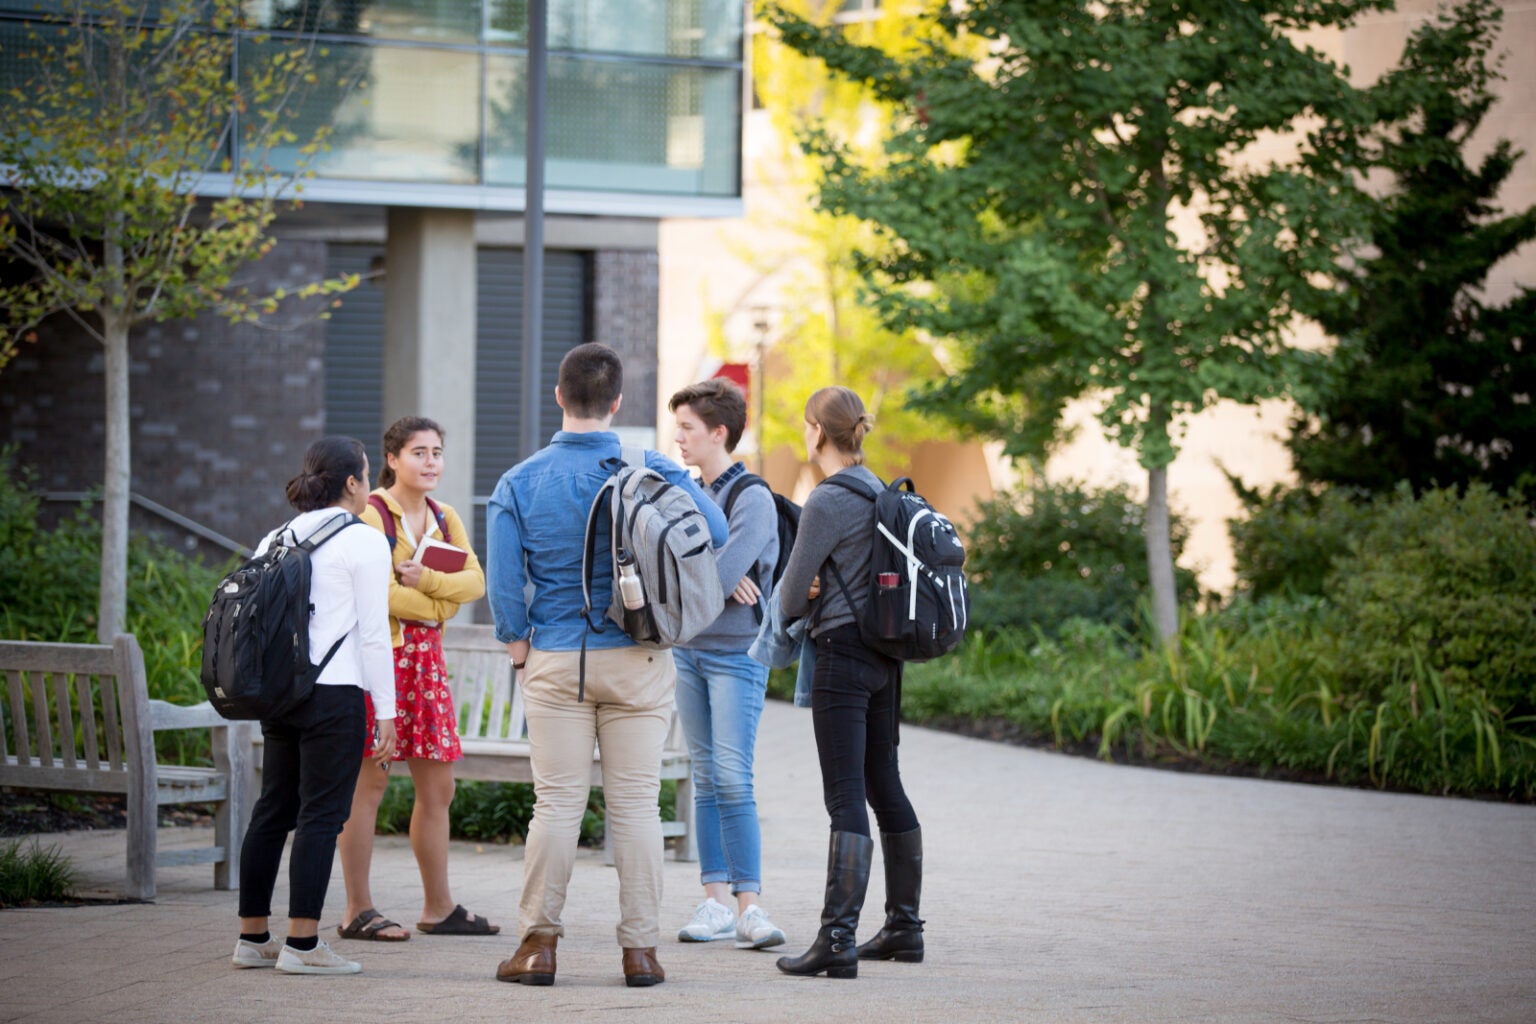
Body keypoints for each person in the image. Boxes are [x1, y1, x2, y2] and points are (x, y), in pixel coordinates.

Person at [486, 342, 728, 988]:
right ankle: (640, 951)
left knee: (557, 805)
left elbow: (506, 585)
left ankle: (537, 946)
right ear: (617, 402)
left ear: (560, 397)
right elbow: (716, 534)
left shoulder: (520, 480)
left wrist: (517, 646)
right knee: (636, 809)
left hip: (558, 657)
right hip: (639, 656)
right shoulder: (648, 467)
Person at [231, 436, 399, 976]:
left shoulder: (274, 537)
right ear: (352, 483)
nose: (369, 484)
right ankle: (303, 946)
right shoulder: (365, 541)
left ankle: (252, 937)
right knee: (321, 817)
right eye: (367, 474)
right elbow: (374, 635)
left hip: (281, 693)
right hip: (336, 694)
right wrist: (388, 712)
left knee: (273, 809)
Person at [774, 387, 925, 980]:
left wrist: (808, 588)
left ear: (816, 432)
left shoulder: (827, 500)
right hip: (887, 658)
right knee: (884, 783)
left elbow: (789, 595)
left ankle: (837, 938)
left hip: (840, 655)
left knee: (844, 796)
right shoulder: (881, 491)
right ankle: (905, 928)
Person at [334, 416, 495, 943]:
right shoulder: (372, 514)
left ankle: (438, 907)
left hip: (425, 665)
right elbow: (378, 593)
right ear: (392, 459)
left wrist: (425, 582)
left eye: (437, 452)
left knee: (439, 787)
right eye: (419, 452)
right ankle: (357, 908)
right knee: (369, 783)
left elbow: (475, 583)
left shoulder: (445, 516)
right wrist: (437, 605)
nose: (431, 462)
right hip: (380, 660)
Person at [667, 379, 787, 950]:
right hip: (689, 651)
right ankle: (714, 903)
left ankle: (751, 907)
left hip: (737, 655)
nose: (679, 438)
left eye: (688, 427)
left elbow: (707, 578)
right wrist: (716, 572)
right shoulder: (685, 492)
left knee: (734, 778)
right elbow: (678, 572)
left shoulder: (753, 498)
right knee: (706, 776)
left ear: (719, 432)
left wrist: (716, 572)